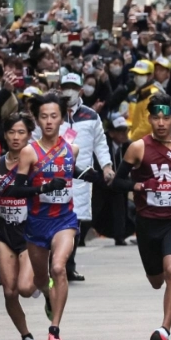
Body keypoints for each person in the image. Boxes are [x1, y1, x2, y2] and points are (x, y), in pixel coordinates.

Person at [111, 92, 171, 340]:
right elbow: (117, 182)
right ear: (149, 119)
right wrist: (137, 184)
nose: (160, 123)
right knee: (156, 280)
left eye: (165, 118)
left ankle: (165, 329)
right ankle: (164, 318)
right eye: (156, 118)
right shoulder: (138, 147)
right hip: (148, 222)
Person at [42, 73, 114, 282]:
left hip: (82, 177)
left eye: (73, 87)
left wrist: (107, 167)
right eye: (66, 87)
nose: (69, 91)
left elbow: (101, 144)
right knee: (52, 217)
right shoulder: (52, 114)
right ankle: (53, 264)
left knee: (75, 221)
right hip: (53, 174)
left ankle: (69, 265)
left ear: (81, 90)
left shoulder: (91, 115)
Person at [25, 92, 81, 340]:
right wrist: (42, 188)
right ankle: (47, 294)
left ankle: (54, 331)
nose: (49, 121)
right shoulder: (29, 152)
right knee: (40, 279)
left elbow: (72, 173)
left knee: (58, 268)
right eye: (44, 117)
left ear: (62, 119)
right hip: (37, 223)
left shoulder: (73, 149)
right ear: (37, 120)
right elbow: (19, 188)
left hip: (64, 221)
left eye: (54, 116)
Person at [0, 113, 44, 340]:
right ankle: (27, 338)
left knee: (24, 288)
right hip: (4, 232)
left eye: (21, 132)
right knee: (9, 291)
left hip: (30, 233)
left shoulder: (36, 163)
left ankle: (44, 281)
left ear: (30, 135)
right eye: (11, 132)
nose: (16, 137)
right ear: (4, 134)